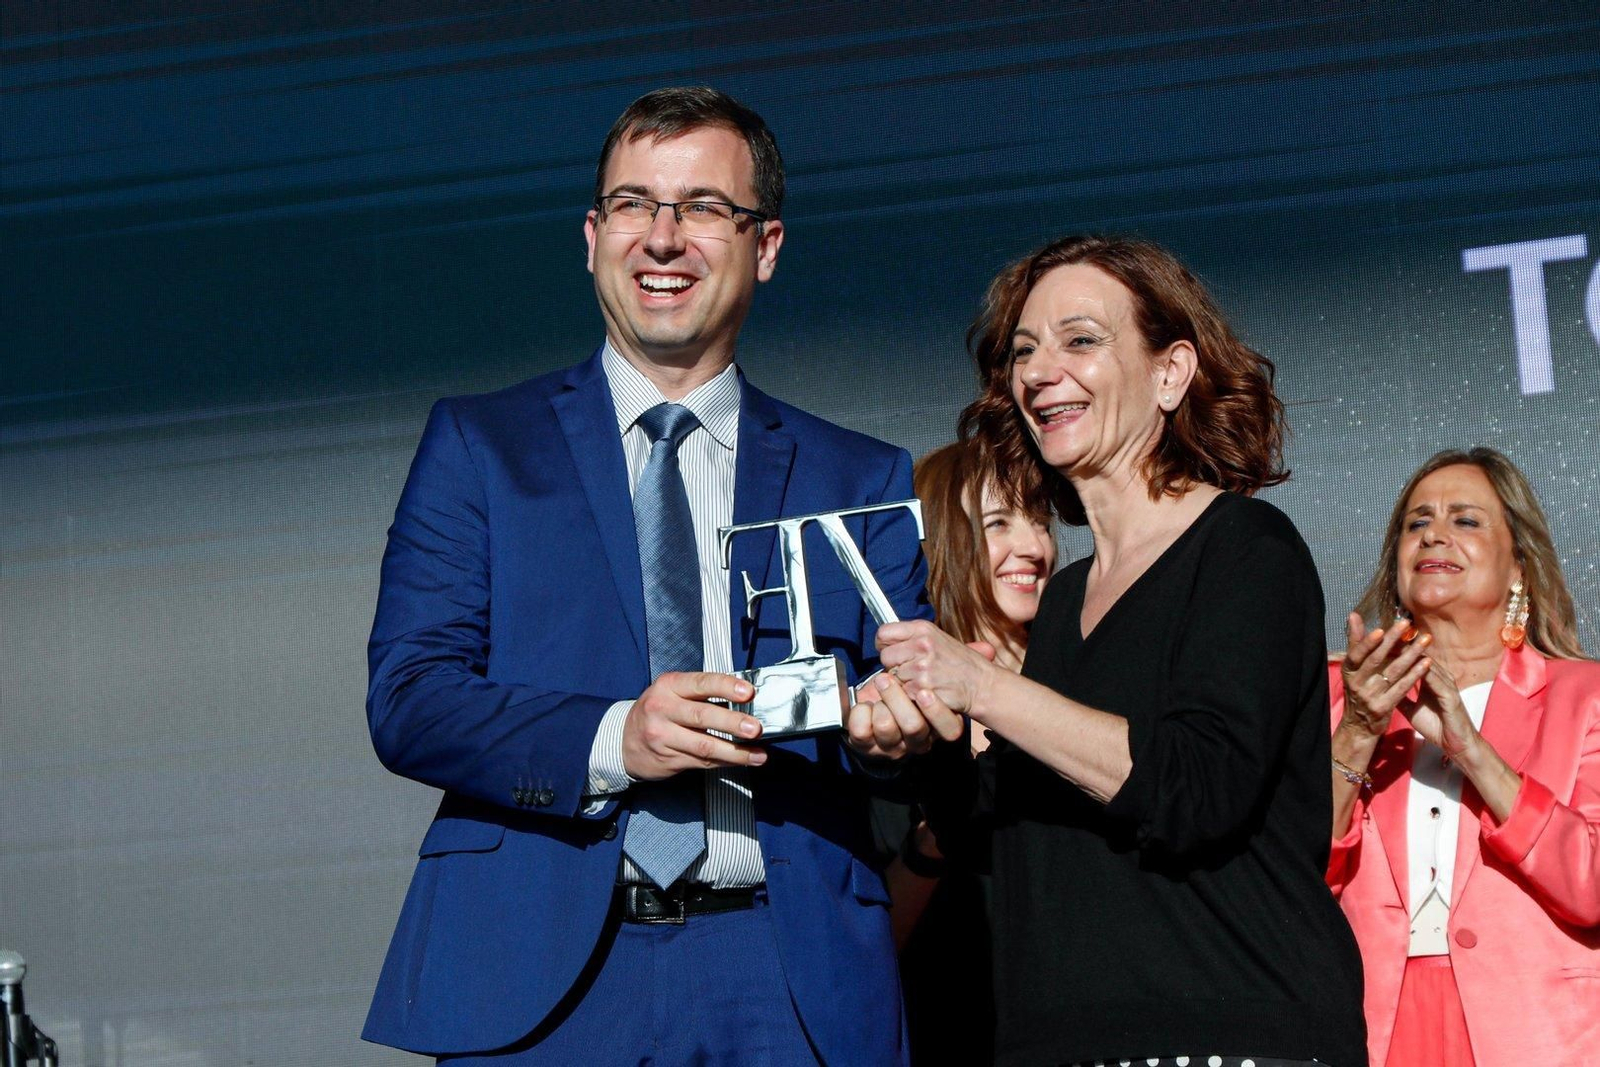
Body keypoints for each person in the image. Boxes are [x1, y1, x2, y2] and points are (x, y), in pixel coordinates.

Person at [361, 86, 952, 1066]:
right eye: (634, 204)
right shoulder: (479, 444)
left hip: (786, 969)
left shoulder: (862, 476)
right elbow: (411, 698)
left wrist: (893, 735)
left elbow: (906, 718)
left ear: (764, 246)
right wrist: (616, 737)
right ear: (593, 236)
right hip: (545, 974)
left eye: (703, 208)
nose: (663, 238)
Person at [865, 235, 1367, 1066]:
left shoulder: (1244, 548)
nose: (1039, 369)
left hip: (1230, 1034)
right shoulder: (1063, 601)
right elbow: (1012, 842)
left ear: (1171, 372)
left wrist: (984, 687)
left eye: (1081, 339)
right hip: (1058, 1041)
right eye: (1023, 350)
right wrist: (922, 741)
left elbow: (1196, 787)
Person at [1326, 447, 1600, 1066]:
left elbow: (1593, 886)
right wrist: (1361, 729)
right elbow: (1284, 881)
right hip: (1364, 1028)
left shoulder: (1586, 696)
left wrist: (1473, 753)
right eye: (1416, 522)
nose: (1435, 534)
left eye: (1466, 520)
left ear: (1518, 568)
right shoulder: (1336, 696)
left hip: (1536, 1034)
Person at [877, 440, 1055, 1065]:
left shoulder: (1082, 690)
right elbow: (870, 946)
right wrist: (935, 839)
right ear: (941, 539)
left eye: (1041, 519)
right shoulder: (892, 714)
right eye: (1000, 522)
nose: (1034, 546)